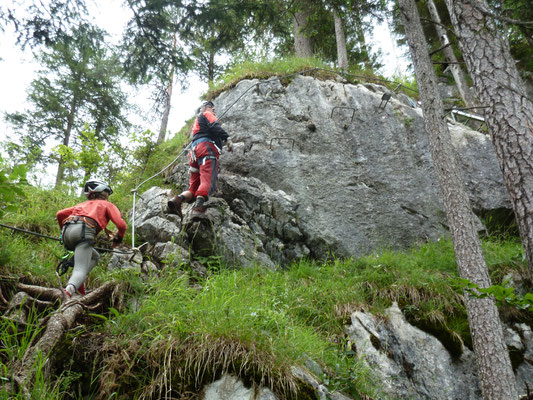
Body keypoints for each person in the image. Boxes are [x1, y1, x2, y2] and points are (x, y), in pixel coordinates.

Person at [56, 179, 127, 298]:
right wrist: (117, 240)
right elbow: (121, 225)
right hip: (84, 231)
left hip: (67, 232)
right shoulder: (107, 204)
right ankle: (67, 293)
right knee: (80, 270)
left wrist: (63, 233)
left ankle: (79, 285)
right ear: (105, 193)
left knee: (95, 257)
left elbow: (60, 214)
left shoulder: (81, 205)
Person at [168, 100, 231, 218]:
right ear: (206, 107)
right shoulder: (207, 114)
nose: (214, 109)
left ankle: (177, 200)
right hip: (206, 149)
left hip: (193, 153)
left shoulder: (197, 123)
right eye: (212, 107)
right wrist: (227, 138)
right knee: (208, 179)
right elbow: (215, 126)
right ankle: (198, 208)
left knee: (194, 187)